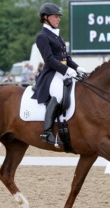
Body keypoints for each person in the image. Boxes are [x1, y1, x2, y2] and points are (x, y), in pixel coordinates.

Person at [31, 2, 87, 144]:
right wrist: (67, 70)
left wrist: (77, 68)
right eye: (56, 16)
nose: (58, 19)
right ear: (45, 18)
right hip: (51, 75)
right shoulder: (42, 36)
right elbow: (49, 60)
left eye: (59, 17)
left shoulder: (57, 35)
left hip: (63, 72)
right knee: (59, 95)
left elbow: (66, 58)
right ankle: (47, 132)